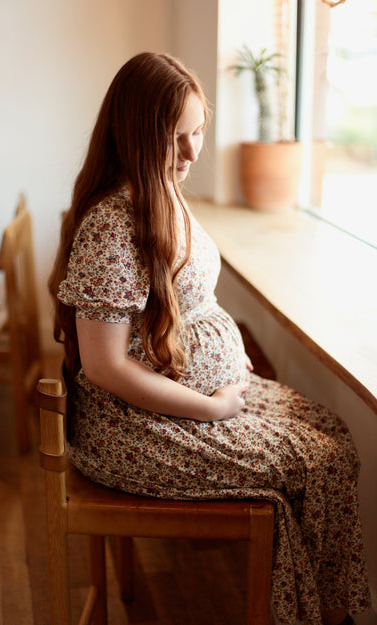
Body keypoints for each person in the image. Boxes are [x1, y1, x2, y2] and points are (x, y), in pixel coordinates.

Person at [48, 52, 370, 625]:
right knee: (318, 460)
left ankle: (321, 610)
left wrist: (226, 345)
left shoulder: (157, 190)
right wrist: (213, 406)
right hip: (134, 426)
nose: (194, 153)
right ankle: (322, 617)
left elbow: (185, 293)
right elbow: (104, 367)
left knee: (335, 435)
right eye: (178, 139)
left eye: (199, 132)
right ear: (136, 135)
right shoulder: (110, 226)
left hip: (193, 399)